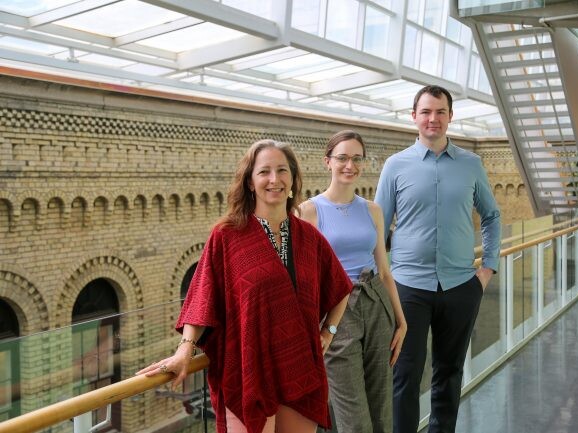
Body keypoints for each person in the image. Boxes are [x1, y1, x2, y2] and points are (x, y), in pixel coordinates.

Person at [137, 139, 352, 433]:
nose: (274, 179)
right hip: (248, 368)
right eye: (264, 172)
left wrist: (329, 331)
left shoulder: (309, 237)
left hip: (299, 368)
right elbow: (203, 297)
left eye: (282, 170)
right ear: (250, 182)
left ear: (292, 179)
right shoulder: (227, 237)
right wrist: (185, 349)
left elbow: (341, 285)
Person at [375, 85, 501, 433]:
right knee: (405, 374)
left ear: (450, 116)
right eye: (426, 112)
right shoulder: (395, 166)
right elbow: (378, 228)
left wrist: (487, 268)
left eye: (440, 112)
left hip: (461, 285)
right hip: (407, 289)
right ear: (414, 116)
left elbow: (491, 216)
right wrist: (382, 283)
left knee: (449, 372)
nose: (433, 119)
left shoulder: (471, 165)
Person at [299, 130, 407, 433]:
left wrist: (401, 320)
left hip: (376, 306)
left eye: (356, 158)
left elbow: (385, 271)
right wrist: (319, 328)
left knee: (382, 408)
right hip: (337, 313)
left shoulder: (373, 209)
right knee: (352, 415)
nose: (350, 165)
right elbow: (306, 281)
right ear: (328, 162)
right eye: (343, 158)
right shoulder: (308, 212)